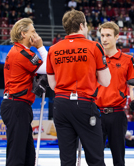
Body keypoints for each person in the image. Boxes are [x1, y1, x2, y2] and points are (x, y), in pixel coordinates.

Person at [46, 10, 111, 166]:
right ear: (82, 25)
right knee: (95, 157)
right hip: (84, 103)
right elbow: (106, 81)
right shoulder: (94, 46)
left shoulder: (53, 49)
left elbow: (52, 84)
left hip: (60, 104)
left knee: (67, 158)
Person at [0, 18, 48, 166]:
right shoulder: (22, 53)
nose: (36, 34)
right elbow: (48, 68)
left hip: (18, 105)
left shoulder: (18, 51)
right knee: (17, 155)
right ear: (23, 34)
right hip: (17, 105)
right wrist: (40, 46)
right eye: (33, 31)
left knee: (27, 154)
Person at [96, 21, 134, 166]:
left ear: (117, 37)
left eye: (108, 35)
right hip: (96, 113)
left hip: (117, 114)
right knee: (95, 157)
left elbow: (132, 84)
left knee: (118, 158)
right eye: (102, 35)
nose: (104, 39)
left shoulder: (127, 60)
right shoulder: (95, 59)